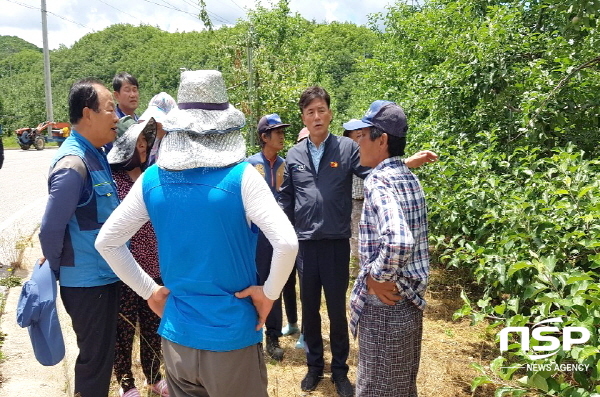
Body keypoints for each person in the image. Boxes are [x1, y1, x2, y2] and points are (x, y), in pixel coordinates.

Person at [96, 70, 298, 397]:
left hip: (177, 339)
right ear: (224, 124)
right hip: (232, 337)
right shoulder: (242, 178)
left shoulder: (151, 180)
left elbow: (107, 242)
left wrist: (150, 290)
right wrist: (269, 294)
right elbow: (287, 243)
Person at [279, 87, 437, 397]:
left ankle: (339, 371)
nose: (316, 116)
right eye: (310, 112)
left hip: (337, 242)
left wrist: (409, 163)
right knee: (309, 309)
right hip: (306, 244)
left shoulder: (346, 149)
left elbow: (377, 169)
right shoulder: (294, 154)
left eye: (321, 110)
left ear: (330, 113)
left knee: (337, 310)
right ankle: (314, 367)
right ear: (303, 118)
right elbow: (286, 197)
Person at [38, 79, 121, 397]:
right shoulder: (73, 164)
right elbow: (50, 229)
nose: (116, 117)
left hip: (103, 277)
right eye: (110, 109)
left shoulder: (97, 154)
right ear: (88, 114)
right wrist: (59, 270)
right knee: (94, 362)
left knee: (101, 358)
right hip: (86, 284)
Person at [349, 100, 430, 397]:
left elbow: (399, 240)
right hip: (408, 304)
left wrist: (376, 276)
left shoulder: (379, 181)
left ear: (381, 140)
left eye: (364, 134)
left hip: (385, 307)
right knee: (402, 386)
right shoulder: (410, 178)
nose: (358, 141)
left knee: (375, 388)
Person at [107, 93, 175, 397]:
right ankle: (126, 383)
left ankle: (153, 375)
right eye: (138, 144)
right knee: (123, 329)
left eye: (146, 143)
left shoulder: (153, 177)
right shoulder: (114, 181)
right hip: (126, 268)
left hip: (155, 266)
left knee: (152, 324)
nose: (144, 147)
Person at [247, 113, 299, 361]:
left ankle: (273, 336)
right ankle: (251, 333)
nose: (281, 136)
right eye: (276, 132)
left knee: (275, 282)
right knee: (254, 279)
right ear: (264, 137)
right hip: (255, 235)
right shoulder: (248, 165)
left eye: (282, 131)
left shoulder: (287, 165)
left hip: (278, 233)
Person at [342, 119, 370, 274]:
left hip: (366, 200)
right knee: (354, 236)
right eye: (357, 135)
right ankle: (354, 269)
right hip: (353, 200)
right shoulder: (345, 153)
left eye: (362, 135)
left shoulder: (366, 152)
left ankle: (363, 267)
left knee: (365, 235)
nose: (360, 138)